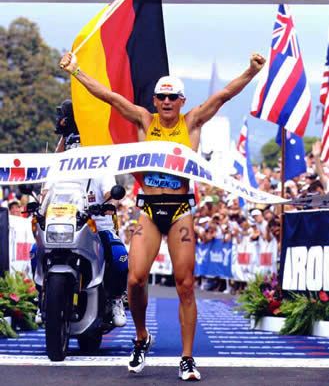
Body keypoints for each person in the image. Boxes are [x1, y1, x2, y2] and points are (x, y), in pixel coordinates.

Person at [59, 51, 265, 381]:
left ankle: (186, 357)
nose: (167, 102)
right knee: (135, 278)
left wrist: (251, 71)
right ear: (155, 100)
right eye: (162, 96)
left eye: (172, 97)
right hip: (151, 210)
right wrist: (77, 71)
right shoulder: (144, 120)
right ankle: (141, 337)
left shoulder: (193, 121)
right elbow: (110, 97)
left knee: (185, 286)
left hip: (181, 209)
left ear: (182, 100)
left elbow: (225, 95)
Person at [35, 100, 129, 328]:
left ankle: (116, 299)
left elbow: (109, 189)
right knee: (34, 251)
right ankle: (42, 299)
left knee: (119, 258)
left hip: (97, 223)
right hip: (65, 225)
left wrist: (109, 198)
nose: (75, 150)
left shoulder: (99, 161)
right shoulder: (59, 164)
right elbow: (46, 192)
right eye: (72, 146)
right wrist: (38, 204)